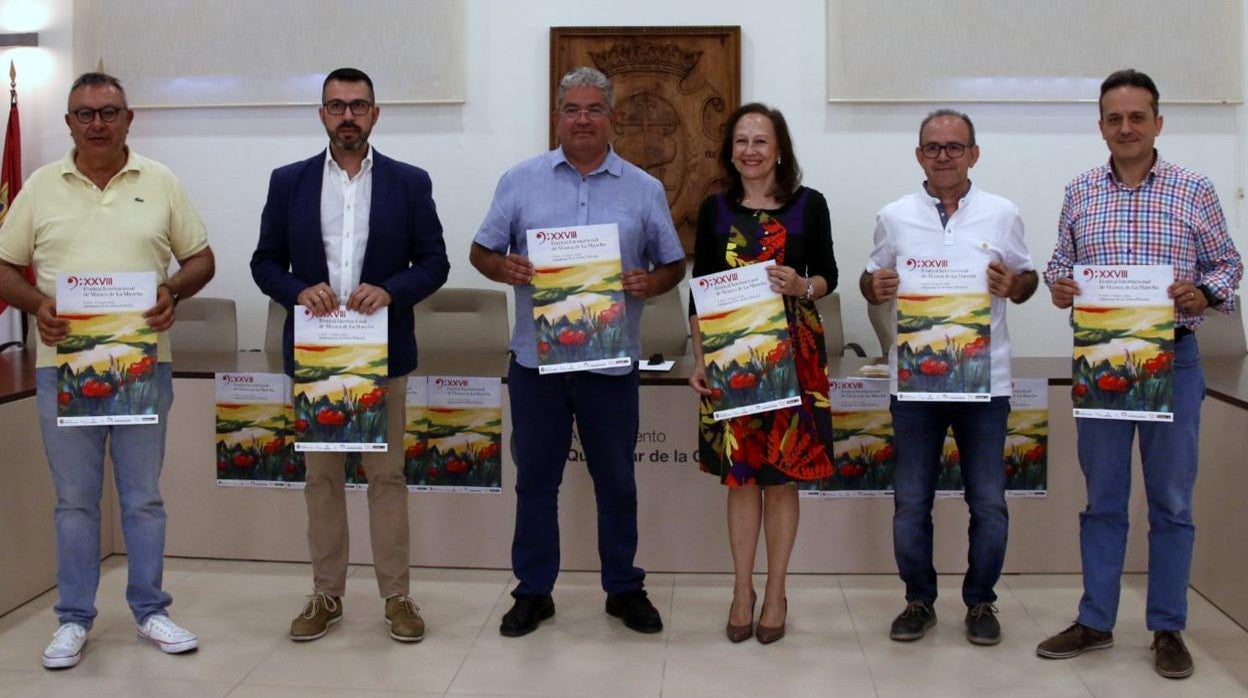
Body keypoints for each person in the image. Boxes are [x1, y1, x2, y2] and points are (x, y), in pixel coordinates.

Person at [0, 72, 215, 669]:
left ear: (129, 118)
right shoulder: (41, 186)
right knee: (74, 502)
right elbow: (3, 266)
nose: (98, 123)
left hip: (143, 368)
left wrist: (173, 290)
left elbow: (201, 258)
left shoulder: (160, 180)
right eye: (85, 113)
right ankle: (73, 619)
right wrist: (36, 303)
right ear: (69, 122)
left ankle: (150, 610)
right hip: (61, 370)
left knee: (143, 498)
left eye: (109, 112)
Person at [1038, 69, 1242, 679]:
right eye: (1113, 117)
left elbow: (1228, 265)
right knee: (1102, 499)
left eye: (1137, 116)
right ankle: (1096, 620)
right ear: (1100, 124)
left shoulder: (1193, 189)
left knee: (1172, 502)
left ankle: (1167, 626)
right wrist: (1060, 286)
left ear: (1157, 121)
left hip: (1171, 359)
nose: (1125, 127)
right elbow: (1056, 265)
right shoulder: (1080, 191)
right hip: (1101, 360)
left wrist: (1205, 293)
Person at [470, 66, 685, 637]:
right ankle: (534, 592)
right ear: (557, 116)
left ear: (610, 117)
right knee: (536, 483)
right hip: (536, 364)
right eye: (572, 109)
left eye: (594, 109)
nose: (583, 119)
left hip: (610, 365)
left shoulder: (644, 187)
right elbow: (480, 251)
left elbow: (673, 264)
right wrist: (504, 266)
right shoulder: (520, 180)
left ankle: (623, 588)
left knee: (616, 481)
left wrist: (651, 282)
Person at [250, 67, 449, 643]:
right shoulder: (288, 181)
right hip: (316, 357)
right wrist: (294, 291)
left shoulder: (410, 182)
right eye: (336, 106)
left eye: (358, 106)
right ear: (321, 115)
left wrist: (392, 290)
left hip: (381, 353)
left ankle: (397, 597)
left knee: (387, 479)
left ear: (375, 114)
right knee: (322, 481)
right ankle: (326, 594)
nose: (347, 116)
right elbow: (264, 262)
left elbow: (434, 262)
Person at [861, 109, 1037, 646]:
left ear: (973, 154)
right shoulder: (894, 215)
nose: (943, 156)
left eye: (954, 147)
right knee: (911, 500)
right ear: (918, 155)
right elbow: (870, 280)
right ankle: (919, 599)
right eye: (933, 147)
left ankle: (981, 602)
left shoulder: (1003, 213)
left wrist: (1015, 283)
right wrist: (877, 286)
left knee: (988, 501)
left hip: (986, 384)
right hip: (914, 385)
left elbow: (1028, 277)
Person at [686, 103, 837, 644]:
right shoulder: (714, 209)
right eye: (741, 141)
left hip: (794, 355)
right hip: (733, 357)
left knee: (782, 477)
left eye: (761, 141)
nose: (750, 150)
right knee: (742, 476)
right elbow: (699, 288)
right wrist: (700, 359)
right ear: (731, 150)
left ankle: (777, 591)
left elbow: (829, 276)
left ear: (779, 150)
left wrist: (803, 286)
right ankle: (742, 589)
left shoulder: (808, 205)